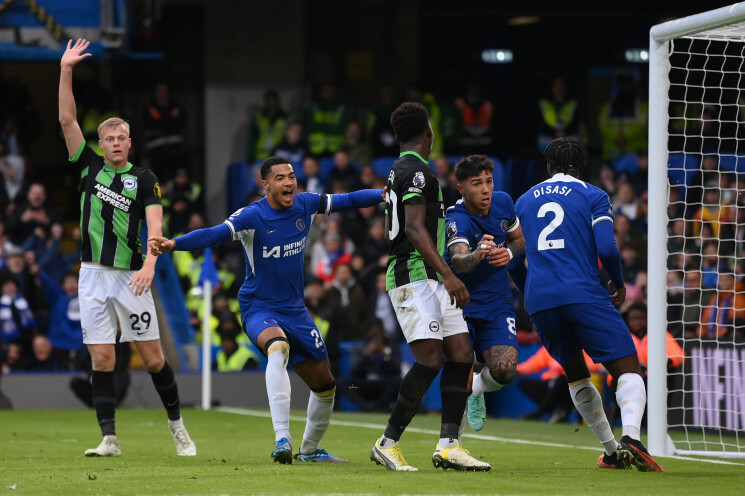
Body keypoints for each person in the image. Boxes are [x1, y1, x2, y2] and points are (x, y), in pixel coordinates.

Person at [148, 155, 385, 464]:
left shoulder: (305, 204)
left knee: (326, 386)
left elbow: (349, 200)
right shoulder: (252, 216)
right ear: (265, 184)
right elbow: (213, 234)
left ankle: (310, 450)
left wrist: (381, 194)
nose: (289, 182)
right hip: (259, 307)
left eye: (291, 176)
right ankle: (282, 439)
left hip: (295, 310)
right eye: (280, 178)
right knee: (278, 348)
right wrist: (174, 244)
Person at [58, 39, 196, 457]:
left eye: (122, 138)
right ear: (100, 145)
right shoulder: (88, 168)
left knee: (153, 359)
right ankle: (109, 439)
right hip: (92, 275)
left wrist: (151, 264)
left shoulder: (145, 179)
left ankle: (178, 427)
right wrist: (66, 69)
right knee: (102, 360)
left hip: (131, 276)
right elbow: (66, 119)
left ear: (130, 143)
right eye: (110, 138)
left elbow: (155, 226)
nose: (116, 143)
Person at [514, 136, 663, 472]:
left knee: (576, 375)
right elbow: (607, 248)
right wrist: (618, 282)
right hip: (582, 293)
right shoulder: (593, 195)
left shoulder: (523, 200)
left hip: (540, 301)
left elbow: (512, 261)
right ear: (581, 167)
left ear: (549, 166)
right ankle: (632, 438)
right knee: (628, 368)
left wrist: (533, 292)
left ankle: (610, 452)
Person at [369, 102, 490, 472]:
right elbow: (413, 227)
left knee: (461, 353)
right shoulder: (417, 171)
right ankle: (387, 443)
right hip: (413, 275)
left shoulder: (398, 169)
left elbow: (397, 228)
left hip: (430, 276)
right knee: (430, 360)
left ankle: (449, 446)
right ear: (428, 132)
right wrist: (449, 274)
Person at [444, 154, 525, 432]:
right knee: (460, 382)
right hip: (460, 305)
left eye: (488, 181)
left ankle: (479, 389)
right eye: (477, 183)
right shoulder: (457, 218)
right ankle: (452, 444)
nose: (486, 189)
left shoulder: (504, 202)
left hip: (497, 303)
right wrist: (478, 254)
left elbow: (519, 240)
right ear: (461, 188)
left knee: (506, 370)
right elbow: (458, 260)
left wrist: (509, 253)